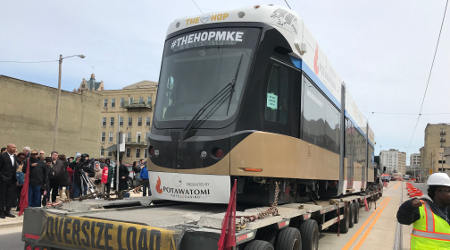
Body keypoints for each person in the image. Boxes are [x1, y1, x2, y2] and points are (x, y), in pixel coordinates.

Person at [397, 173, 450, 249]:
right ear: (437, 192)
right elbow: (403, 219)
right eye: (448, 191)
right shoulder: (421, 206)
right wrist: (409, 206)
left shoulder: (448, 208)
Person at [0, 144, 18, 218]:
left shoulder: (14, 156)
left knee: (10, 196)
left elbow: (14, 168)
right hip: (4, 180)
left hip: (12, 180)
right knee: (2, 196)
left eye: (15, 147)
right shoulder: (2, 156)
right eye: (13, 147)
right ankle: (1, 212)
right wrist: (3, 177)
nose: (15, 149)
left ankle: (7, 211)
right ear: (8, 148)